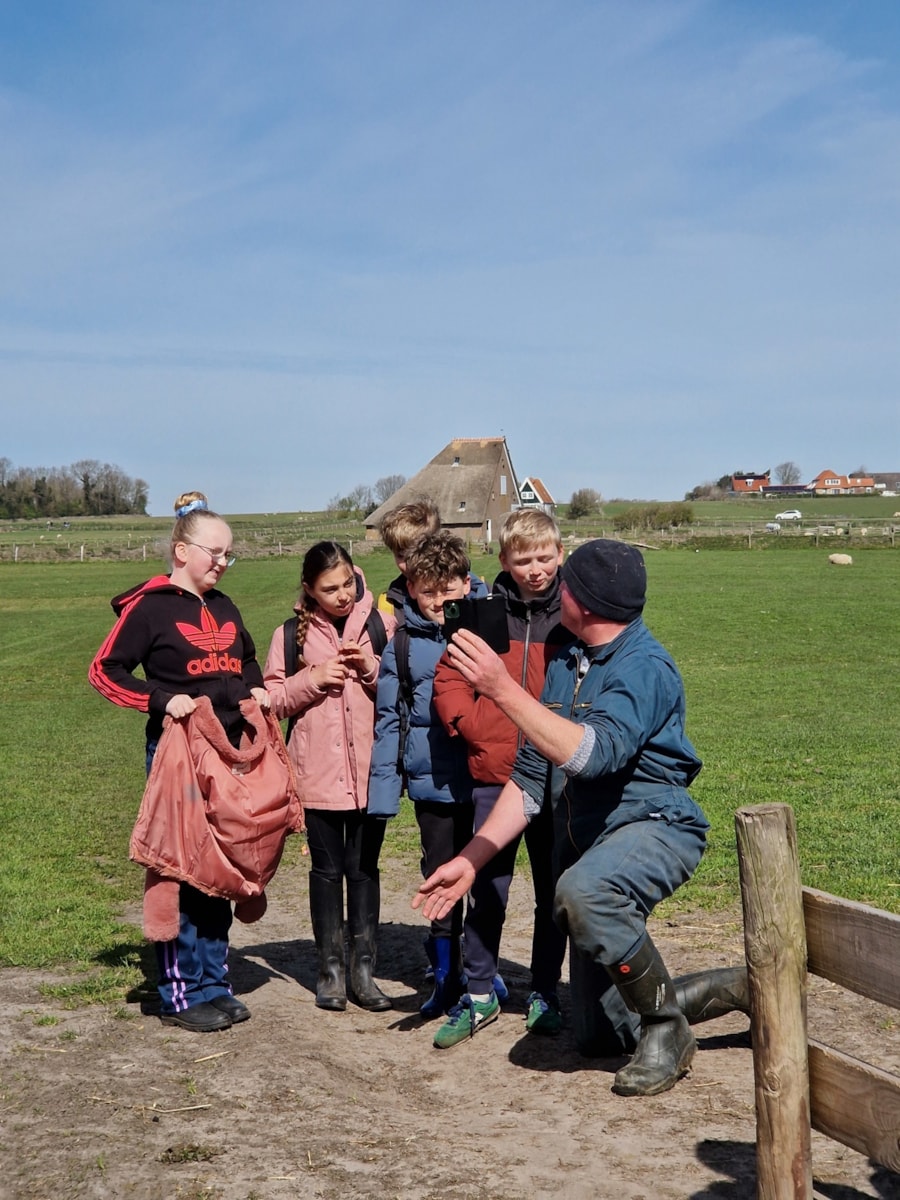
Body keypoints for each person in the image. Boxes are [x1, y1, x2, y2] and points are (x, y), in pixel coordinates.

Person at [415, 539, 748, 1096]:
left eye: (565, 581)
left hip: (653, 825)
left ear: (586, 602)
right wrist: (471, 861)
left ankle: (667, 1031)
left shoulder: (645, 668)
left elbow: (592, 755)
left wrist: (501, 689)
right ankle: (740, 989)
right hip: (593, 843)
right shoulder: (567, 659)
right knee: (599, 1033)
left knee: (582, 892)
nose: (554, 585)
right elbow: (530, 776)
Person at [89, 491, 270, 1032]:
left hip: (228, 755)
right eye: (214, 552)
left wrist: (255, 690)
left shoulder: (226, 605)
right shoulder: (151, 607)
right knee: (183, 868)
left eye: (229, 554)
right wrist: (162, 699)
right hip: (178, 756)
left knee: (221, 866)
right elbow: (105, 670)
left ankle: (214, 982)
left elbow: (248, 659)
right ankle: (179, 991)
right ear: (182, 551)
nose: (222, 562)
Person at [430, 509, 571, 1048]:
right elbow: (449, 674)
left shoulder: (573, 615)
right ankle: (480, 992)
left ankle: (545, 991)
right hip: (494, 774)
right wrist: (471, 725)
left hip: (555, 777)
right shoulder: (484, 614)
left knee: (552, 893)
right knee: (487, 888)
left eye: (544, 557)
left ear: (559, 555)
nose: (535, 569)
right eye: (523, 559)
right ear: (504, 560)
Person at [263, 541, 395, 1013]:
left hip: (371, 775)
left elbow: (402, 690)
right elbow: (271, 701)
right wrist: (313, 678)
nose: (342, 596)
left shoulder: (382, 624)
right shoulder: (288, 636)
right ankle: (331, 972)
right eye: (329, 589)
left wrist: (371, 669)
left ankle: (364, 973)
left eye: (347, 585)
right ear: (309, 590)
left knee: (364, 871)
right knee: (326, 871)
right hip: (316, 776)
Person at [368, 530, 475, 1019]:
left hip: (485, 781)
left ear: (466, 584)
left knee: (485, 883)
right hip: (432, 787)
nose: (438, 601)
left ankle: (481, 975)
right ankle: (446, 976)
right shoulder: (402, 646)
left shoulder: (488, 633)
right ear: (410, 588)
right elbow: (389, 720)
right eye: (427, 590)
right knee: (439, 880)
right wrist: (384, 794)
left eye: (447, 589)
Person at [376, 496, 487, 620]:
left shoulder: (482, 592)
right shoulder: (390, 605)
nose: (410, 564)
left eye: (417, 553)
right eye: (401, 556)